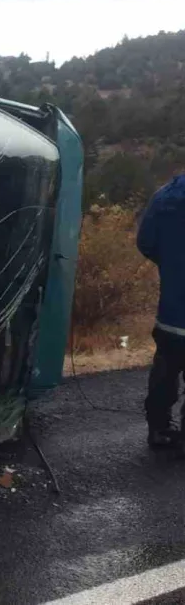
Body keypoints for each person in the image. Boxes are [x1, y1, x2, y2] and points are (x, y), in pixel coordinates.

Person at [137, 175, 185, 449]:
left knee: (165, 369)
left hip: (172, 312)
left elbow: (145, 242)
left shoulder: (165, 195)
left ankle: (159, 429)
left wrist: (172, 266)